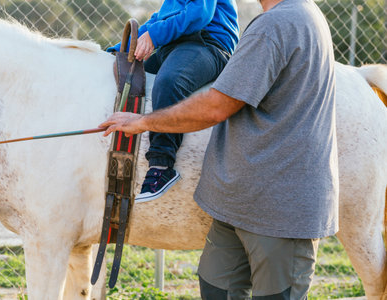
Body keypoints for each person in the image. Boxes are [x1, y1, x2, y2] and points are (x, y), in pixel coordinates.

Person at [101, 0, 338, 298]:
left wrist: (143, 121)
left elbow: (216, 106)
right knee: (215, 287)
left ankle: (162, 164)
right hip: (237, 207)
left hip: (277, 214)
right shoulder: (299, 15)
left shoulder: (275, 26)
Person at [107, 0, 239, 203]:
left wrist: (154, 36)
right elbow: (161, 18)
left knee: (170, 81)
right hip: (175, 45)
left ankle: (161, 165)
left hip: (206, 43)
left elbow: (199, 14)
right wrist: (119, 49)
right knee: (132, 74)